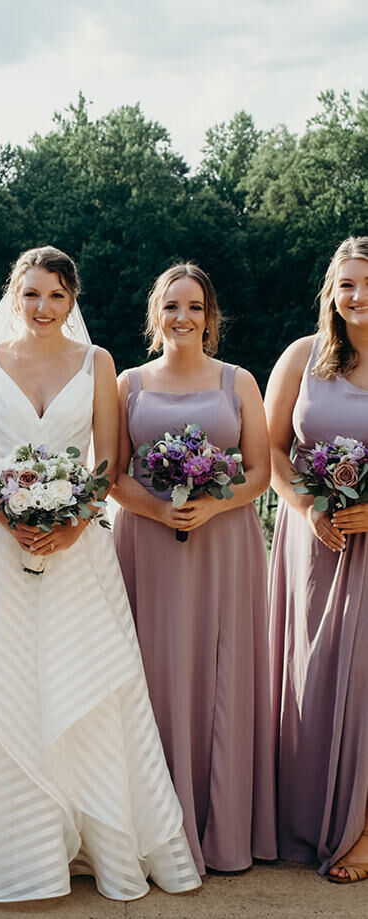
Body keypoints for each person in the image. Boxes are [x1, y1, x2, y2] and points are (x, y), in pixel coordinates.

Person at [0, 246, 201, 902]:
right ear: (13, 296)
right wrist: (11, 514)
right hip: (2, 548)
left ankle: (98, 841)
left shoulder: (97, 362)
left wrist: (75, 519)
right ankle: (22, 852)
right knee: (10, 686)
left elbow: (108, 461)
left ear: (73, 301)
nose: (42, 308)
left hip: (80, 550)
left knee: (90, 688)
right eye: (31, 295)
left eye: (55, 296)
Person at [112, 263, 276, 875]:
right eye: (172, 306)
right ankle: (153, 825)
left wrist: (214, 504)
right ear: (155, 313)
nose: (183, 317)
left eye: (196, 307)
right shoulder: (128, 383)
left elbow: (259, 471)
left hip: (224, 540)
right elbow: (113, 474)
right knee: (152, 671)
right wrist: (159, 509)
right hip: (148, 542)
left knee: (220, 673)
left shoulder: (239, 381)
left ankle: (224, 828)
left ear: (211, 318)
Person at [266, 236, 368, 883]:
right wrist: (307, 508)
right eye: (349, 284)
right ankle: (307, 822)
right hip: (313, 541)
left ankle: (363, 830)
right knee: (313, 680)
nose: (359, 297)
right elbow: (271, 449)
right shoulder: (303, 358)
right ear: (330, 292)